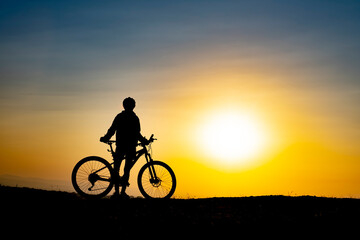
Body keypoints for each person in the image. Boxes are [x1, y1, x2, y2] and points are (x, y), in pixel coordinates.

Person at [100, 97, 148, 199]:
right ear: (133, 106)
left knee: (117, 168)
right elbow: (137, 134)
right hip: (130, 146)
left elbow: (112, 130)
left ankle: (117, 193)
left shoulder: (120, 116)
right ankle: (121, 193)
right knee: (126, 169)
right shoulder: (135, 118)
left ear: (124, 105)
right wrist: (144, 141)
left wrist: (105, 138)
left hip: (121, 145)